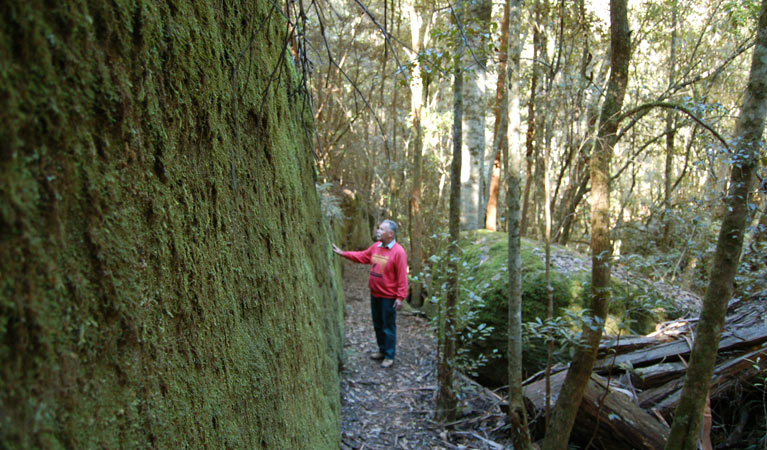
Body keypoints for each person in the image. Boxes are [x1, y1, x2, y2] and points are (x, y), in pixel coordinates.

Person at [333, 220, 408, 368]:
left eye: (381, 229)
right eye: (378, 228)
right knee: (378, 324)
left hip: (389, 297)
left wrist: (400, 297)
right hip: (375, 294)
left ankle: (389, 355)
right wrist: (343, 253)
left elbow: (402, 277)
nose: (378, 231)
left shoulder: (399, 252)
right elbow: (362, 256)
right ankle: (382, 350)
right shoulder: (376, 247)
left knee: (388, 326)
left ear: (390, 234)